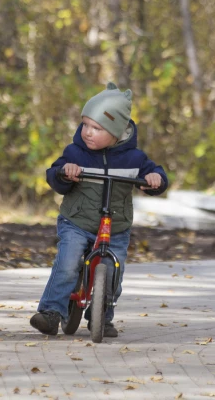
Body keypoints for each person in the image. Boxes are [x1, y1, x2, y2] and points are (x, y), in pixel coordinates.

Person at [30, 83, 169, 338]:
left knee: (114, 269)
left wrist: (155, 179)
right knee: (69, 262)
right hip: (77, 222)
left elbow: (156, 173)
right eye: (85, 125)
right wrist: (65, 172)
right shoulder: (76, 153)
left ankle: (102, 318)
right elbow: (54, 175)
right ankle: (51, 313)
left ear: (117, 133)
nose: (88, 133)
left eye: (97, 128)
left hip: (115, 228)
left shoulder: (134, 159)